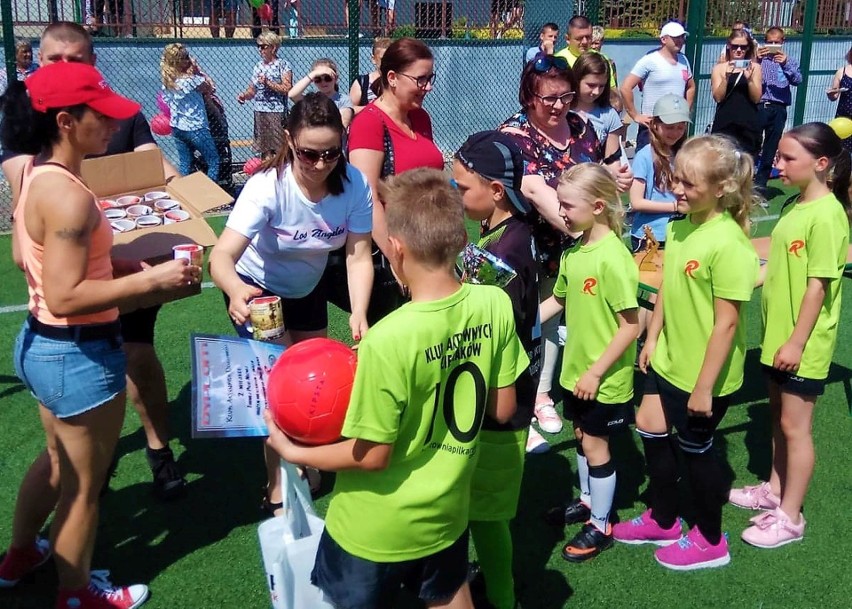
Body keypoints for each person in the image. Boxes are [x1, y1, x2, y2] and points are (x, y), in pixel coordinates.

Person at [264, 167, 528, 609]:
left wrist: (295, 453)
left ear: (397, 250)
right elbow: (503, 410)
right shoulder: (494, 303)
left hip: (374, 529)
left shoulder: (386, 341)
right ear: (459, 240)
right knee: (448, 591)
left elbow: (371, 455)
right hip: (447, 513)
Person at [0, 61, 198, 607]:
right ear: (65, 121)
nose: (114, 125)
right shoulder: (68, 195)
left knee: (58, 463)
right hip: (77, 354)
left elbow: (36, 262)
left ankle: (20, 554)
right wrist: (154, 278)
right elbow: (66, 295)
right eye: (101, 117)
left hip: (44, 345)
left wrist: (124, 269)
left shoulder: (39, 174)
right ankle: (75, 594)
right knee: (84, 489)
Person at [209, 93, 373, 515]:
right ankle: (277, 484)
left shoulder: (354, 184)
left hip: (308, 287)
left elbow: (357, 254)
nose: (320, 164)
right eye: (308, 154)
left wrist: (358, 311)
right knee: (280, 389)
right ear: (288, 141)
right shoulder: (266, 187)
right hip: (259, 290)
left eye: (331, 153)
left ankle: (309, 458)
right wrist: (233, 290)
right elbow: (221, 257)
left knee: (317, 384)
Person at [613, 135, 759, 571]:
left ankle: (712, 539)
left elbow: (727, 323)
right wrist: (652, 338)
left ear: (721, 188)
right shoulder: (679, 226)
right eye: (676, 179)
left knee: (697, 449)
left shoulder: (728, 242)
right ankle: (663, 519)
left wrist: (704, 388)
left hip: (702, 373)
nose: (677, 190)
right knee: (649, 426)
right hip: (668, 359)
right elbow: (666, 291)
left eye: (688, 184)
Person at [498, 54, 632, 452]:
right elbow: (538, 193)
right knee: (536, 322)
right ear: (528, 96)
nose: (559, 106)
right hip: (536, 247)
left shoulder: (582, 125)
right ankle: (526, 403)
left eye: (567, 96)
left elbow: (603, 170)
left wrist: (615, 178)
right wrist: (583, 222)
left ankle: (545, 395)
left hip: (581, 245)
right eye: (549, 98)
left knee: (569, 322)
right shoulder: (514, 135)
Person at [731, 123, 851, 548]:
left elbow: (818, 285)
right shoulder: (796, 206)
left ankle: (791, 517)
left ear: (821, 164)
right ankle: (775, 490)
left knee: (796, 427)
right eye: (777, 156)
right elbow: (777, 268)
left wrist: (798, 342)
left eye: (786, 158)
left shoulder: (828, 215)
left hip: (803, 343)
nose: (776, 164)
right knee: (779, 420)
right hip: (779, 336)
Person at [452, 131, 539, 609]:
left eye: (463, 187)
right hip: (497, 393)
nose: (457, 193)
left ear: (496, 190)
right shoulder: (505, 234)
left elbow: (488, 332)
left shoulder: (505, 255)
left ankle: (503, 599)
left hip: (498, 402)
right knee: (483, 509)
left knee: (486, 515)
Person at [539, 163, 639, 562]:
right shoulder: (575, 252)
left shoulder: (612, 258)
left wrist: (597, 372)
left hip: (603, 379)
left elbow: (630, 327)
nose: (560, 212)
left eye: (567, 205)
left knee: (597, 447)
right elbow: (559, 300)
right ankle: (586, 501)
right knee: (583, 438)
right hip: (576, 373)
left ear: (598, 206)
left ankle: (601, 524)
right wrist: (520, 321)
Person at [347, 37, 444, 323]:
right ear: (392, 77)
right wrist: (396, 259)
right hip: (397, 252)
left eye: (430, 78)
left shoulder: (421, 118)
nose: (429, 87)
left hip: (429, 243)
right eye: (421, 79)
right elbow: (367, 198)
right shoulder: (369, 123)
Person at [621, 21, 695, 151]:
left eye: (682, 37)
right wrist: (636, 115)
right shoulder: (650, 60)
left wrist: (685, 111)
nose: (680, 40)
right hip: (652, 126)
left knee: (675, 165)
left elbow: (691, 87)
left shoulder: (684, 60)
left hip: (676, 124)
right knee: (648, 165)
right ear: (663, 39)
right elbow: (626, 87)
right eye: (675, 37)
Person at [628, 93, 689, 251]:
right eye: (669, 127)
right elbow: (636, 202)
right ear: (655, 124)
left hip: (680, 231)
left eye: (680, 127)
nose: (675, 132)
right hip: (650, 235)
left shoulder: (686, 154)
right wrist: (675, 206)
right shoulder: (644, 156)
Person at [160, 43, 220, 181]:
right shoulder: (192, 80)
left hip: (177, 127)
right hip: (196, 128)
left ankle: (184, 196)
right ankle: (209, 196)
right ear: (183, 61)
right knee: (213, 161)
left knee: (185, 164)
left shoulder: (168, 82)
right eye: (187, 57)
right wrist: (197, 69)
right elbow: (211, 87)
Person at [754, 26, 801, 188]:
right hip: (760, 105)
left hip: (779, 108)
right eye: (769, 42)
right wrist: (756, 59)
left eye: (776, 43)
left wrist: (786, 63)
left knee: (771, 147)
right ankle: (746, 180)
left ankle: (761, 186)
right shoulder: (759, 59)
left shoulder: (789, 61)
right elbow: (748, 75)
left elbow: (798, 80)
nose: (772, 46)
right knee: (753, 142)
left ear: (783, 42)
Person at [237, 32, 293, 159]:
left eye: (263, 46)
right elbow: (252, 90)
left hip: (276, 111)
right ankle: (267, 172)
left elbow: (287, 88)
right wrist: (244, 96)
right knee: (264, 148)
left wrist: (268, 83)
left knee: (280, 148)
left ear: (273, 48)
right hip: (260, 110)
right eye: (259, 46)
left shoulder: (283, 65)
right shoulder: (258, 66)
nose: (260, 49)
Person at [710, 30, 762, 159]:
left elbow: (756, 98)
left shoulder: (755, 67)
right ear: (728, 46)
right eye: (735, 46)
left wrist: (749, 80)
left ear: (748, 48)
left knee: (746, 166)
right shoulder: (719, 68)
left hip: (748, 123)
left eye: (743, 47)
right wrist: (726, 78)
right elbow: (718, 97)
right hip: (725, 122)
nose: (739, 50)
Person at [572, 52, 624, 167]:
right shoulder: (562, 110)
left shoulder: (609, 114)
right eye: (591, 85)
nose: (596, 92)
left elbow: (612, 161)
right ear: (576, 80)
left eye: (601, 86)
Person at [288, 58, 354, 129]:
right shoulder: (312, 99)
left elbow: (342, 125)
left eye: (327, 78)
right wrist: (313, 74)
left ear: (336, 78)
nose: (323, 82)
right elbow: (292, 95)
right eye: (318, 79)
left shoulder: (343, 100)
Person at [350, 37, 391, 114]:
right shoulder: (362, 82)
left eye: (389, 58)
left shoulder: (399, 81)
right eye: (382, 59)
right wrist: (374, 108)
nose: (387, 62)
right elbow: (351, 109)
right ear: (373, 59)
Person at [827, 44, 852, 152]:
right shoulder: (842, 71)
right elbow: (834, 96)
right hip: (844, 117)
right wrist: (831, 93)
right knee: (843, 151)